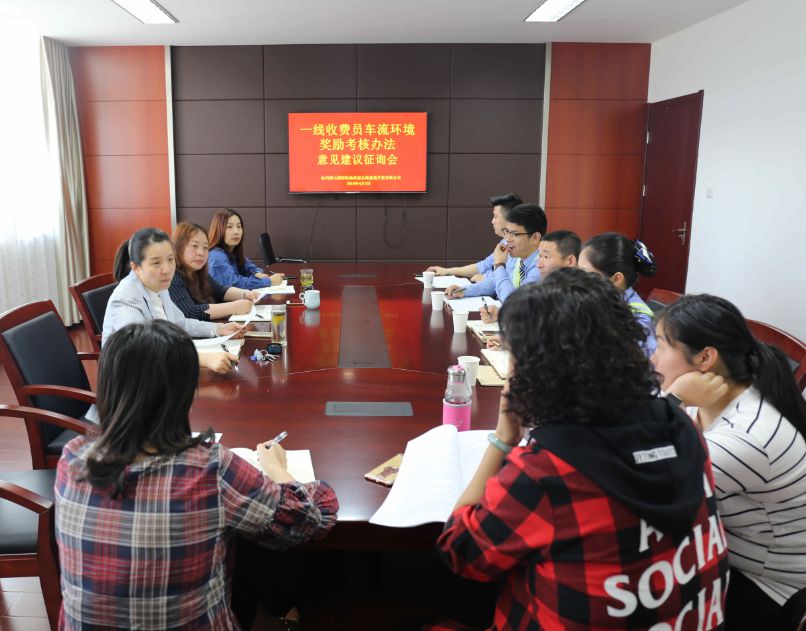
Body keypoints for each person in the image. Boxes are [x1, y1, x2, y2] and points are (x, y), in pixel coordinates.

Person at [435, 268, 729, 630]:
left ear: (534, 371)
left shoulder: (546, 471)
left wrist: (503, 439)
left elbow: (461, 553)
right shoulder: (681, 426)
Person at [55, 320, 339, 630]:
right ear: (186, 392)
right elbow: (310, 519)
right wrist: (277, 469)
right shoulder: (209, 468)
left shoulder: (72, 458)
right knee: (250, 545)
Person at [652, 294, 806, 630]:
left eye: (661, 346)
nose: (653, 358)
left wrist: (672, 399)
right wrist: (673, 400)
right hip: (728, 547)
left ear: (705, 358)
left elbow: (650, 487)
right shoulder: (713, 395)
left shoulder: (746, 437)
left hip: (768, 584)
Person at [102, 227, 242, 374]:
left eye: (170, 259)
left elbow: (180, 323)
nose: (167, 270)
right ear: (135, 267)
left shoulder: (159, 285)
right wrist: (203, 359)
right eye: (156, 263)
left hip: (163, 369)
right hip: (134, 379)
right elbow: (141, 351)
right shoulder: (126, 297)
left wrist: (218, 329)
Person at [444, 203, 546, 305]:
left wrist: (499, 265)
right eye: (507, 231)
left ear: (535, 238)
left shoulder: (541, 268)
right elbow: (497, 282)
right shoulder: (519, 258)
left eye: (515, 234)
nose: (507, 239)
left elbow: (513, 303)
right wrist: (465, 291)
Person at [578, 232, 658, 357]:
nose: (578, 279)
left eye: (585, 273)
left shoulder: (640, 321)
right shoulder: (598, 301)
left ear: (616, 279)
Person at [482, 228, 580, 327]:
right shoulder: (552, 287)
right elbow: (532, 313)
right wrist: (501, 314)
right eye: (540, 256)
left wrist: (499, 265)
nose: (539, 265)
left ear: (570, 261)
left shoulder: (577, 296)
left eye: (546, 257)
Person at [170, 221, 260, 320]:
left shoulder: (197, 273)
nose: (201, 252)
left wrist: (245, 294)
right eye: (194, 246)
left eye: (205, 247)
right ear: (178, 247)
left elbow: (220, 291)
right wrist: (233, 307)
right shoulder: (172, 276)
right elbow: (190, 312)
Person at [426, 193, 522, 283]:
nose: (492, 221)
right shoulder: (504, 242)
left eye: (495, 217)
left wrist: (486, 277)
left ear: (510, 219)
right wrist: (446, 271)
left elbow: (512, 278)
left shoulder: (520, 246)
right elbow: (483, 266)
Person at [208, 208, 284, 290]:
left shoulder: (233, 251)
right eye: (229, 227)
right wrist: (268, 281)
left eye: (239, 226)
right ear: (218, 230)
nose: (236, 232)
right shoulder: (216, 256)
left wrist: (256, 273)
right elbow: (233, 284)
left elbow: (249, 267)